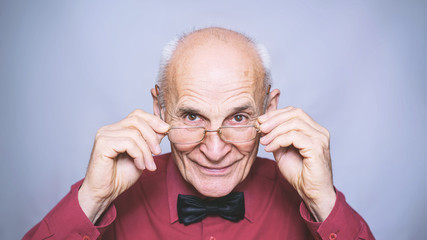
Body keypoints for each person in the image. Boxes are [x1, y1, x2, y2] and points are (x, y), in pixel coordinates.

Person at [24, 27, 375, 240]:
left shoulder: (305, 194)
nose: (215, 149)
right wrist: (93, 200)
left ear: (269, 111)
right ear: (161, 110)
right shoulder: (110, 192)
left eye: (238, 117)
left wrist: (323, 201)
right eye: (192, 116)